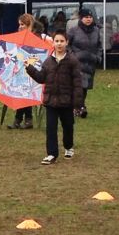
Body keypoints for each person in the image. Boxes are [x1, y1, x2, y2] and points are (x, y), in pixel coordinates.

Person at [26, 29, 83, 165]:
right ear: (53, 43)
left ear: (67, 43)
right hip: (51, 101)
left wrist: (77, 103)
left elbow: (77, 83)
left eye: (62, 41)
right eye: (56, 41)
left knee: (68, 126)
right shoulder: (48, 62)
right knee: (51, 128)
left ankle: (68, 147)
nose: (59, 44)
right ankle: (52, 154)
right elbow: (41, 78)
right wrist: (30, 69)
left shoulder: (72, 61)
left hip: (66, 102)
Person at [68, 8, 102, 118]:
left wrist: (98, 57)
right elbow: (66, 45)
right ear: (81, 18)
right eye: (86, 17)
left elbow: (99, 46)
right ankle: (79, 107)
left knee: (85, 87)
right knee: (77, 86)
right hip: (76, 63)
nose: (88, 19)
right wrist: (72, 56)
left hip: (90, 63)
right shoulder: (73, 30)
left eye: (90, 17)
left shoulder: (96, 30)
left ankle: (79, 107)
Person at [7, 14, 38, 130]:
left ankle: (23, 119)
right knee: (20, 93)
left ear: (28, 25)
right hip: (19, 68)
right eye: (19, 24)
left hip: (31, 69)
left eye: (22, 24)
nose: (20, 27)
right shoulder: (18, 36)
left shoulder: (34, 37)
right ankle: (21, 119)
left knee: (27, 93)